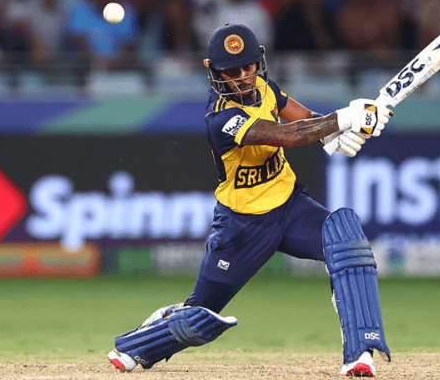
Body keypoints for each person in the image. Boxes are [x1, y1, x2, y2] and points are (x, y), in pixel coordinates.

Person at [107, 23, 393, 377]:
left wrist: (338, 132)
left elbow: (306, 120)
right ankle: (140, 342)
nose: (243, 77)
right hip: (241, 227)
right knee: (200, 317)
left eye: (248, 66)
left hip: (291, 208)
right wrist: (345, 117)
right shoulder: (221, 117)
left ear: (260, 60)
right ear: (213, 71)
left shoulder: (265, 89)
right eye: (232, 71)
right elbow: (287, 136)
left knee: (346, 240)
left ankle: (360, 353)